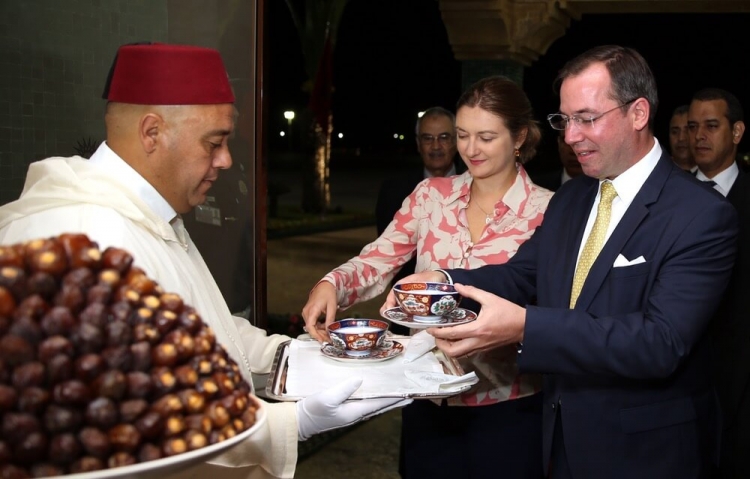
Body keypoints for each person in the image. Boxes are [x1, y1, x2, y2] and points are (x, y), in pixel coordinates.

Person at [0, 42, 408, 479]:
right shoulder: (79, 239)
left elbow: (202, 323)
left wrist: (291, 357)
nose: (226, 160)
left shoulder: (146, 213)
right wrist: (290, 424)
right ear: (152, 133)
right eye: (214, 142)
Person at [386, 45, 738, 479]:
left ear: (638, 113)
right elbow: (523, 275)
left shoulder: (701, 213)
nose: (570, 137)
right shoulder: (573, 197)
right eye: (564, 120)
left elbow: (659, 342)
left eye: (586, 119)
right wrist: (442, 281)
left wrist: (525, 327)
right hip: (557, 441)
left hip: (642, 453)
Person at [302, 75, 553, 478]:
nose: (470, 149)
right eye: (463, 135)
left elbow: (552, 306)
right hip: (426, 397)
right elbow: (377, 259)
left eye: (486, 137)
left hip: (510, 405)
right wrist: (332, 283)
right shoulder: (430, 196)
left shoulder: (549, 210)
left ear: (519, 136)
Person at [688, 87, 749, 479]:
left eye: (711, 126)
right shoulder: (665, 197)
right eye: (693, 126)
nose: (698, 136)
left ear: (737, 132)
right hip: (680, 379)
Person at [374, 106, 465, 314]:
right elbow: (387, 255)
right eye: (427, 138)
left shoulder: (476, 187)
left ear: (456, 141)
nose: (436, 146)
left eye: (444, 137)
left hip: (462, 305)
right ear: (418, 143)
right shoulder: (393, 191)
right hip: (407, 305)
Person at [668, 104, 697, 172]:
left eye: (687, 131)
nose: (681, 138)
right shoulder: (657, 171)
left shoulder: (713, 172)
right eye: (675, 132)